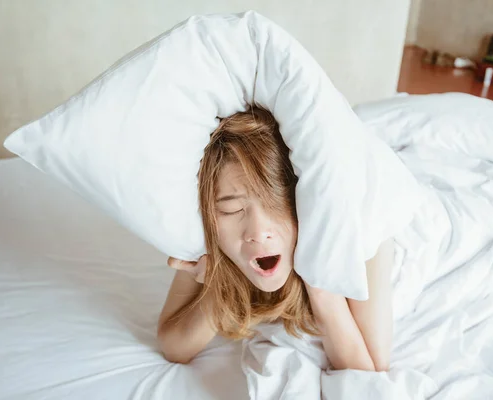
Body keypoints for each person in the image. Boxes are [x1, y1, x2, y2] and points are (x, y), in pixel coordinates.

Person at [157, 107, 394, 371]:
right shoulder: (215, 240)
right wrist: (217, 284)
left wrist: (319, 284)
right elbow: (174, 348)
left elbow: (371, 370)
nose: (257, 233)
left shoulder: (364, 231)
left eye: (275, 204)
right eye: (231, 209)